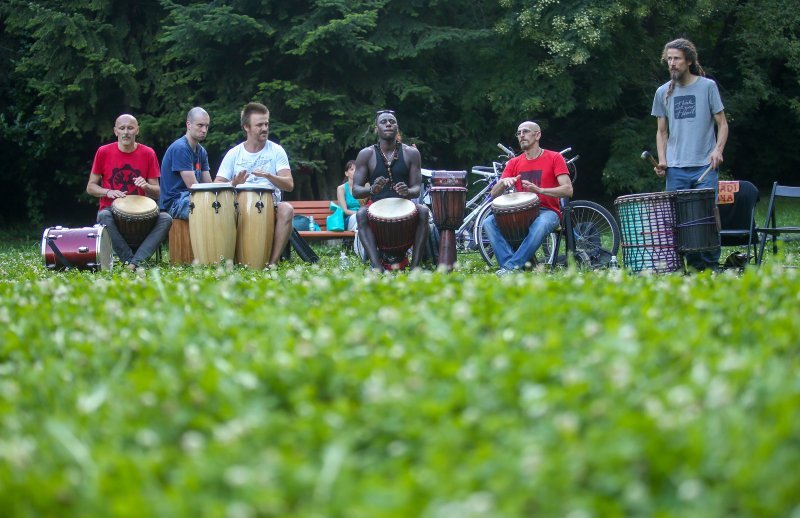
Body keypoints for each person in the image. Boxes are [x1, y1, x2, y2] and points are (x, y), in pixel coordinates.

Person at [652, 38, 729, 271]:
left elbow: (723, 124)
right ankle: (692, 267)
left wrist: (718, 150)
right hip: (676, 168)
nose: (672, 63)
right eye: (669, 59)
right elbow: (661, 132)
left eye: (676, 59)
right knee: (680, 221)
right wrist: (663, 160)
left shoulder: (707, 86)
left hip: (704, 166)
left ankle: (711, 266)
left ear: (689, 61)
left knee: (705, 218)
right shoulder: (662, 92)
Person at [483, 121, 573, 275]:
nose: (521, 135)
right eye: (518, 133)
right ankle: (510, 267)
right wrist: (503, 183)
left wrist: (540, 190)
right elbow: (493, 194)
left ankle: (511, 268)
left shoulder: (554, 158)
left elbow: (568, 190)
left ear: (537, 135)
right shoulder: (513, 163)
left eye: (525, 131)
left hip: (548, 212)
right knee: (489, 222)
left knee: (540, 224)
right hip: (520, 214)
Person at [86, 114, 172, 270]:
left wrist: (146, 186)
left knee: (165, 218)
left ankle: (133, 263)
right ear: (115, 131)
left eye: (130, 128)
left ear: (137, 130)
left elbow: (157, 192)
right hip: (112, 213)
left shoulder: (148, 153)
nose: (126, 132)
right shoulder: (103, 152)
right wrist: (108, 192)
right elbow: (91, 187)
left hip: (143, 216)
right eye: (122, 128)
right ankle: (132, 261)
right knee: (103, 215)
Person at [215, 102, 294, 267]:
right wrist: (234, 183)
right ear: (246, 127)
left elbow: (289, 184)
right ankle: (227, 260)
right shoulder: (234, 154)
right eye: (259, 125)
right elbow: (217, 187)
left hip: (270, 206)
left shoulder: (276, 150)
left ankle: (272, 263)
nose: (265, 128)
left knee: (287, 209)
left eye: (266, 124)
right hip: (237, 207)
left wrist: (269, 176)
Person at [352, 110, 430, 271]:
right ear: (376, 128)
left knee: (423, 211)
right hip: (376, 206)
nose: (388, 124)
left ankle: (416, 266)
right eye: (384, 121)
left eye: (392, 121)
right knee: (360, 214)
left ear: (397, 127)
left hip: (404, 206)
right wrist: (371, 189)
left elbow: (417, 188)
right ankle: (376, 265)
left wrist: (407, 191)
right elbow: (356, 190)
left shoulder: (411, 153)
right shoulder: (366, 154)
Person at [160, 107, 212, 219]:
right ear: (188, 125)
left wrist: (232, 184)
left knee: (224, 206)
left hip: (190, 199)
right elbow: (194, 188)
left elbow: (208, 185)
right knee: (209, 209)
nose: (204, 130)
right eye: (200, 125)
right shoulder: (181, 148)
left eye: (206, 126)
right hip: (174, 203)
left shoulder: (201, 151)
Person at [336, 160, 361, 231]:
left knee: (361, 225)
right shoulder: (341, 188)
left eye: (357, 169)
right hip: (349, 218)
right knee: (359, 220)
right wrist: (360, 214)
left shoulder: (364, 187)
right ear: (346, 173)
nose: (355, 171)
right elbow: (344, 210)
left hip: (362, 218)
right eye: (352, 169)